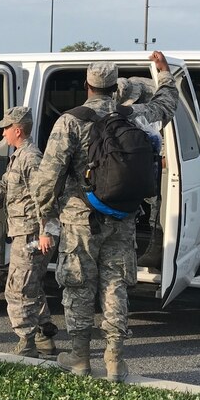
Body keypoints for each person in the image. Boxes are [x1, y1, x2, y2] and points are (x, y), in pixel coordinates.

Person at [32, 53, 177, 381]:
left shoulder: (70, 121)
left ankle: (80, 358)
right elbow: (167, 105)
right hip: (122, 217)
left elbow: (47, 179)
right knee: (115, 286)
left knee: (78, 286)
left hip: (80, 219)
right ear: (115, 88)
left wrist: (45, 219)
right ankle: (114, 360)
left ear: (87, 85)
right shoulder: (134, 115)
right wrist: (165, 74)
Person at [0, 106, 59, 357]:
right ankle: (44, 334)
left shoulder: (31, 158)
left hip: (32, 234)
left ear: (18, 130)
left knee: (17, 289)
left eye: (6, 129)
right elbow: (5, 185)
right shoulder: (20, 156)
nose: (3, 133)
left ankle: (27, 342)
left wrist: (45, 232)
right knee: (31, 284)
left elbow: (43, 196)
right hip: (26, 232)